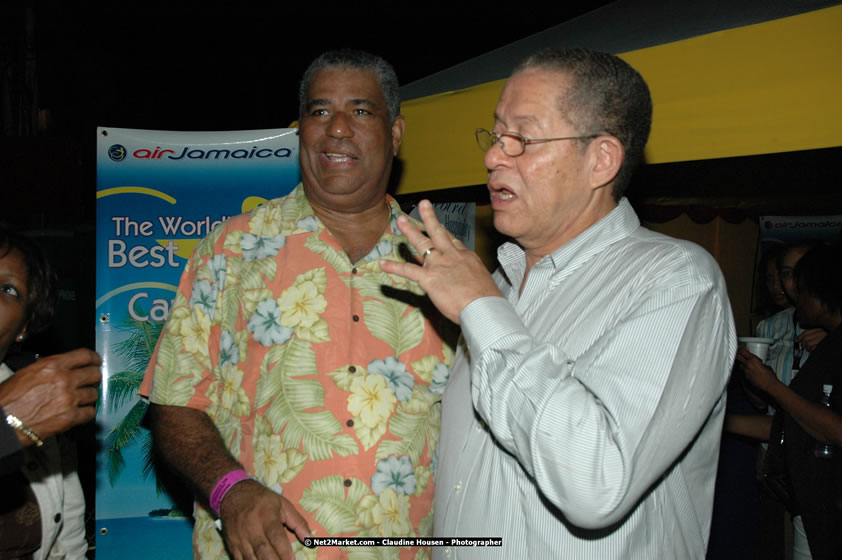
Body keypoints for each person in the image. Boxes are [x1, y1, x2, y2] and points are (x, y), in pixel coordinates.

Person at [381, 47, 736, 558]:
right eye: (496, 134)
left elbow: (596, 484)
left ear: (601, 161)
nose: (493, 156)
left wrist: (481, 309)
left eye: (522, 138)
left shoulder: (675, 281)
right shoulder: (502, 287)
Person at [141, 49, 452, 559]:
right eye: (319, 111)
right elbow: (175, 404)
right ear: (300, 129)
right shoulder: (231, 250)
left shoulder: (443, 267)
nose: (337, 130)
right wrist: (229, 490)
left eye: (360, 111)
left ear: (395, 133)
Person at [0, 229, 101, 559]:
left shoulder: (40, 400)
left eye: (8, 289)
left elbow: (67, 538)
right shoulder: (21, 409)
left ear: (24, 326)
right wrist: (6, 426)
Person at [737, 244, 842, 560]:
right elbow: (787, 422)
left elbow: (833, 430)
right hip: (809, 497)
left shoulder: (834, 347)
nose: (791, 291)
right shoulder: (826, 341)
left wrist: (771, 385)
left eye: (800, 284)